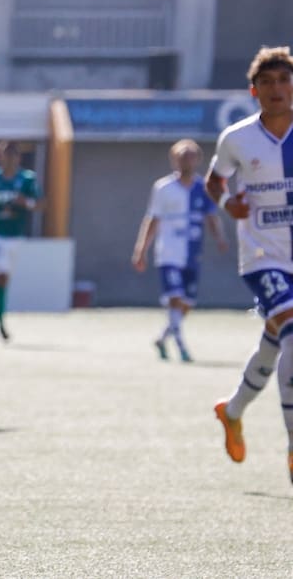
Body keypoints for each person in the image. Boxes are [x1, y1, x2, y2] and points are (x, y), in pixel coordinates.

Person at [206, 45, 293, 485]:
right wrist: (227, 203)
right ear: (253, 90)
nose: (277, 89)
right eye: (268, 82)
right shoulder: (237, 137)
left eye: (284, 80)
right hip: (262, 256)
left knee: (278, 339)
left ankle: (233, 409)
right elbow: (214, 179)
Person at [130, 139, 226, 362]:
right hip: (169, 253)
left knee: (186, 304)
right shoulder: (163, 188)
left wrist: (220, 238)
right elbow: (152, 219)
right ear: (174, 159)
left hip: (192, 254)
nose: (186, 160)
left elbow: (211, 216)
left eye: (191, 156)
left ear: (198, 159)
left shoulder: (203, 188)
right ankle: (182, 347)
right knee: (174, 297)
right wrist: (141, 249)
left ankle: (163, 338)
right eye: (182, 156)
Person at [0, 140, 40, 342]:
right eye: (5, 154)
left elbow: (39, 203)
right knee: (1, 277)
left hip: (15, 235)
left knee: (3, 280)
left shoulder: (27, 179)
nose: (9, 158)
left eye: (13, 154)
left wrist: (25, 203)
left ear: (18, 157)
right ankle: (1, 322)